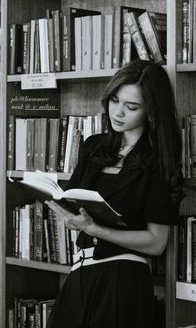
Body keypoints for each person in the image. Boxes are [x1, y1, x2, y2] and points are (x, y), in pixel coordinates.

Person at [46, 59, 184, 328]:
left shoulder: (159, 161)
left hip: (123, 280)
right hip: (80, 273)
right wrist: (65, 212)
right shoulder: (93, 147)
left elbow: (156, 243)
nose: (118, 112)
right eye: (114, 100)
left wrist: (94, 228)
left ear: (151, 111)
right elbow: (74, 201)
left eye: (131, 107)